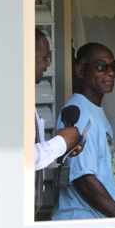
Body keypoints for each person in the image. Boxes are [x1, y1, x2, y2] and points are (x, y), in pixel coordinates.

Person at [51, 42, 115, 220]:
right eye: (101, 66)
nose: (111, 72)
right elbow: (84, 179)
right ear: (80, 71)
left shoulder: (92, 109)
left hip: (92, 226)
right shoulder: (79, 113)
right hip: (81, 226)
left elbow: (105, 164)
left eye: (113, 66)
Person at [35, 29, 82, 215]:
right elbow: (18, 159)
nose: (48, 63)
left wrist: (64, 151)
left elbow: (33, 157)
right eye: (44, 57)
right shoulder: (11, 102)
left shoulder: (26, 100)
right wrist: (61, 143)